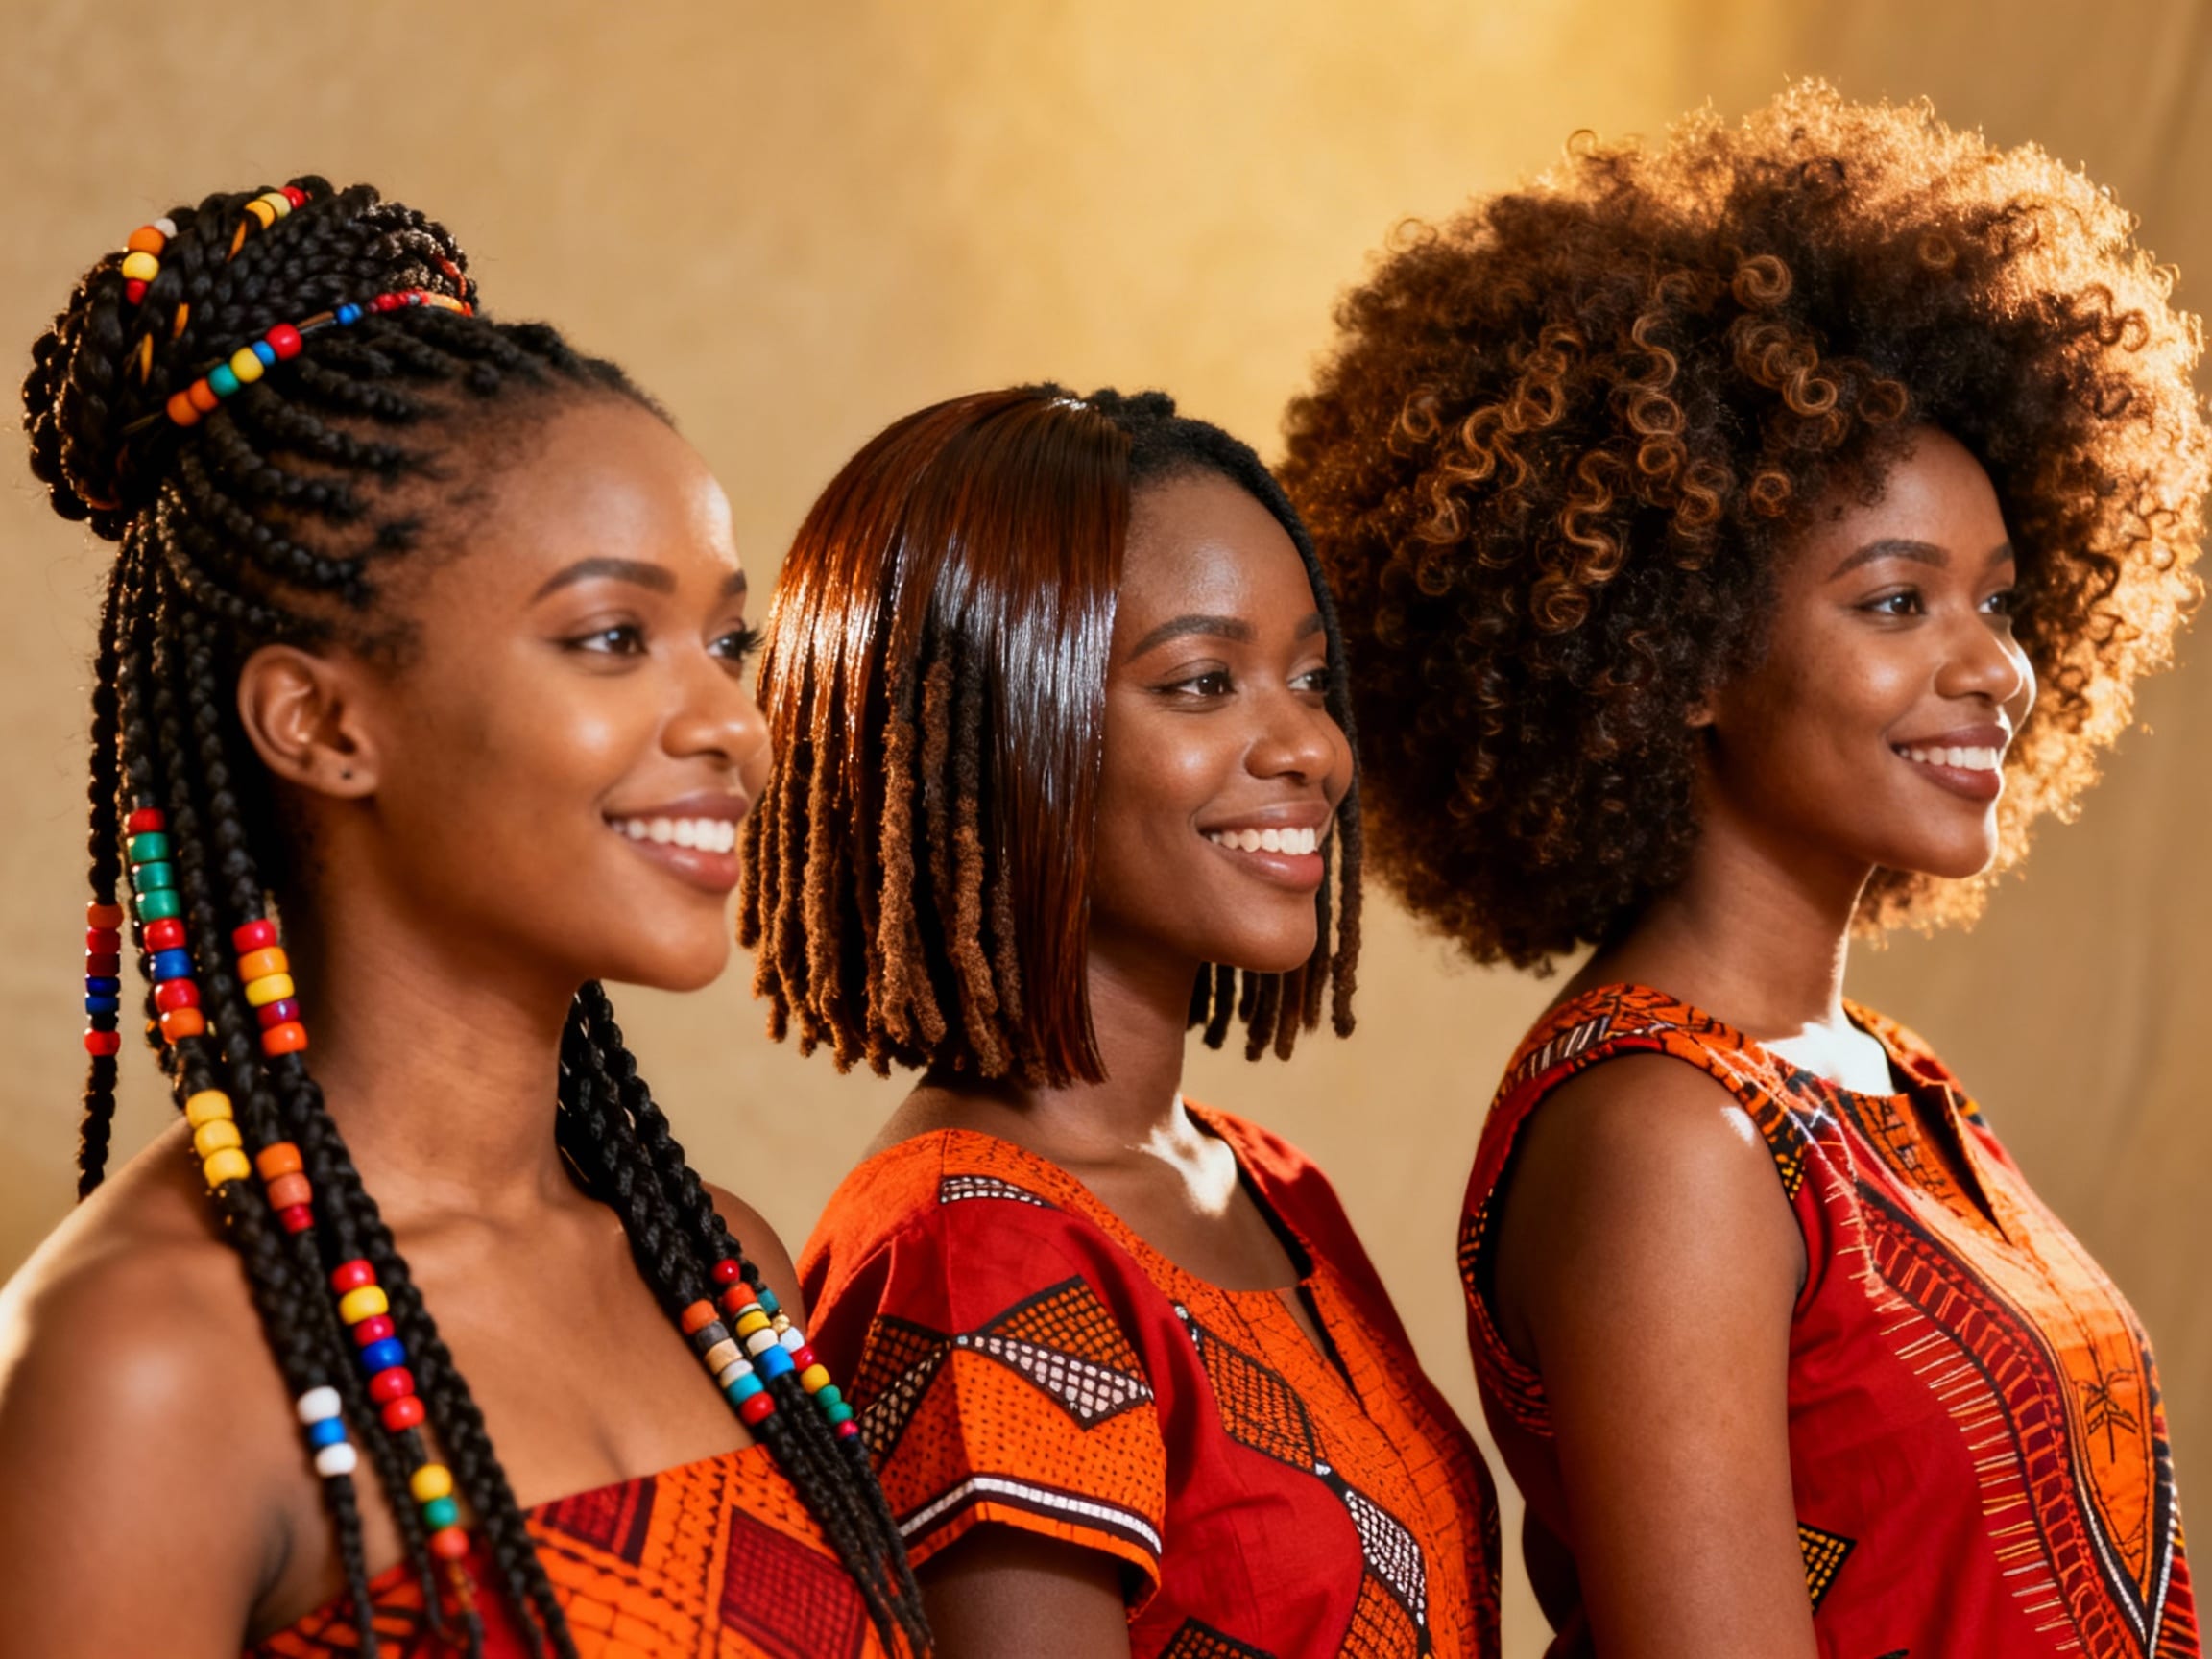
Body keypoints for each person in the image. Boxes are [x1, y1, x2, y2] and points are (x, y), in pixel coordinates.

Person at [1282, 84, 2206, 1659]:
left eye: (1999, 600)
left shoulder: (1888, 1087)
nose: (1994, 668)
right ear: (1685, 652)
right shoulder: (1667, 1133)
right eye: (1898, 604)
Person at [0, 178, 927, 1657]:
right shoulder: (143, 1364)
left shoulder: (722, 1279)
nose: (733, 725)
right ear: (320, 722)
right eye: (612, 638)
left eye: (725, 640)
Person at [741, 386, 1501, 1658]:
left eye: (1309, 677)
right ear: (996, 739)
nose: (1309, 745)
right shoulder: (973, 1247)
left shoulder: (1272, 1185)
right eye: (1204, 683)